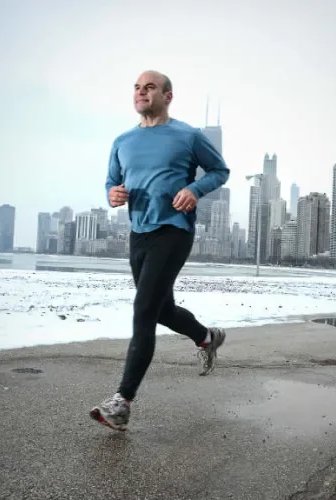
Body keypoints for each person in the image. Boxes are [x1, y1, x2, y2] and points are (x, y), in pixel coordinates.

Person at [90, 70, 231, 431]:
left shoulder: (187, 135)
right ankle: (206, 337)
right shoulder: (122, 141)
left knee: (143, 309)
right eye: (136, 88)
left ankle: (122, 402)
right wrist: (113, 194)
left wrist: (195, 190)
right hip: (139, 233)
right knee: (161, 309)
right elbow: (111, 181)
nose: (141, 92)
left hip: (174, 229)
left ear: (167, 96)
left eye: (149, 87)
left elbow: (219, 170)